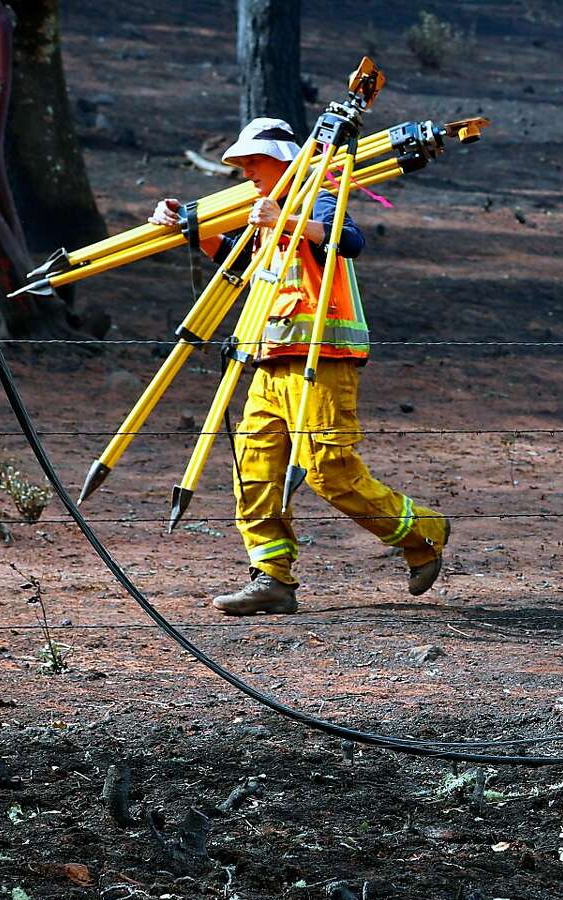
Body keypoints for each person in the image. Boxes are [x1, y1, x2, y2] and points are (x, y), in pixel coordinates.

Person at [149, 117, 449, 616]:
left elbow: (347, 239)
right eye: (241, 166)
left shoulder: (318, 196)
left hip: (324, 361)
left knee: (331, 473)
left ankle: (425, 532)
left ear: (284, 161)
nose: (246, 175)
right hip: (269, 362)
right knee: (256, 469)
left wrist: (285, 219)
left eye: (253, 163)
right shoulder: (260, 211)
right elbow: (244, 267)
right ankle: (271, 578)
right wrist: (191, 228)